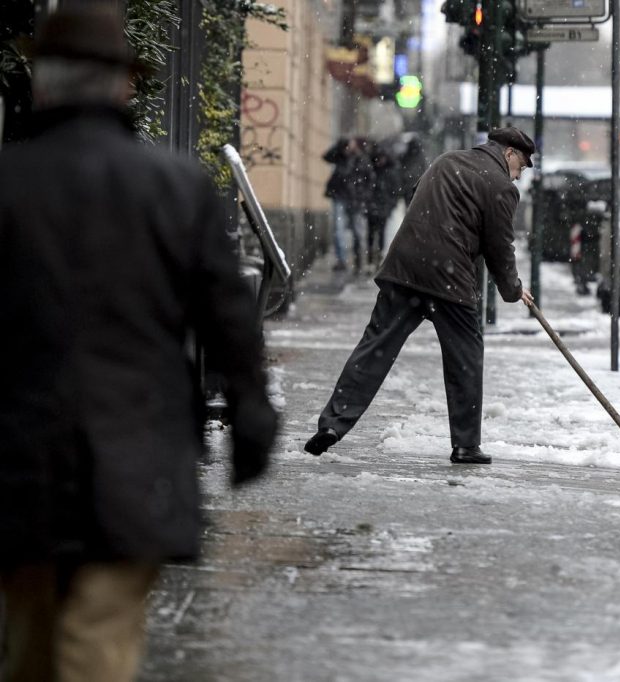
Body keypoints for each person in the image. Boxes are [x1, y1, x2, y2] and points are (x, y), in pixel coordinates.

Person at [0, 6, 278, 681]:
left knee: (29, 640)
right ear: (124, 88)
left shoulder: (10, 184)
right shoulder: (174, 188)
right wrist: (250, 415)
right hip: (135, 460)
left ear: (41, 86)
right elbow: (229, 318)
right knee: (100, 635)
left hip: (17, 462)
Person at [304, 128, 536, 464]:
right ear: (511, 153)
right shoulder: (500, 187)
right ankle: (466, 445)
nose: (518, 175)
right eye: (522, 167)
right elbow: (499, 247)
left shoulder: (447, 161)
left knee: (375, 348)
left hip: (404, 268)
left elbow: (418, 198)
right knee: (465, 361)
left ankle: (332, 425)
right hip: (450, 281)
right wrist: (513, 289)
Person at [323, 137, 374, 272]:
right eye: (344, 147)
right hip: (339, 196)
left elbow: (370, 179)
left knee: (358, 232)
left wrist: (364, 196)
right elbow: (326, 157)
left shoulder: (361, 158)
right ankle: (342, 260)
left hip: (356, 199)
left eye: (348, 147)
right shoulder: (339, 156)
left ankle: (359, 261)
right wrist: (340, 146)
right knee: (338, 229)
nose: (346, 149)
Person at [365, 141, 400, 271]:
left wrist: (390, 206)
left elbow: (395, 191)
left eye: (381, 158)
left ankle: (378, 258)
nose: (379, 161)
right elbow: (365, 188)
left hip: (383, 208)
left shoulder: (390, 172)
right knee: (370, 234)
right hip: (371, 207)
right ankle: (370, 259)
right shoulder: (372, 172)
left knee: (381, 234)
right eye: (377, 159)